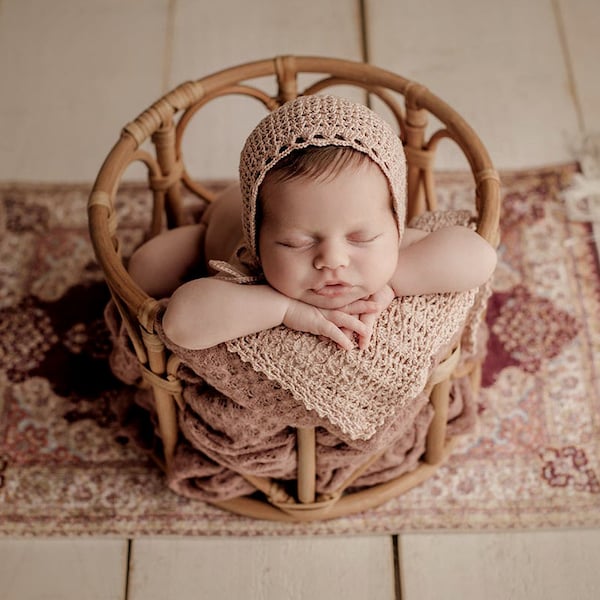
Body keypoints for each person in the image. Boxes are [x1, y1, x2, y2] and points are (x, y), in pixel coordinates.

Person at [128, 94, 497, 352]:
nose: (333, 260)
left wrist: (393, 282)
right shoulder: (248, 266)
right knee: (143, 269)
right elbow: (181, 323)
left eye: (361, 237)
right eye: (296, 242)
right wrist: (284, 309)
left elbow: (478, 257)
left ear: (396, 225)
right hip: (213, 222)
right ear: (258, 241)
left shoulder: (392, 245)